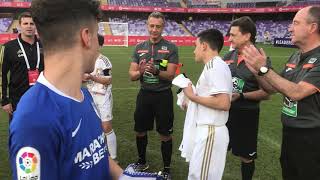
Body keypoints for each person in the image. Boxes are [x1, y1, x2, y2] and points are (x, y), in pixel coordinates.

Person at [9, 0, 123, 180]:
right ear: (86, 37)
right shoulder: (33, 120)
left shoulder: (84, 95)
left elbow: (98, 155)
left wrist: (124, 177)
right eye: (96, 33)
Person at [242, 6, 320, 180]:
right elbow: (273, 88)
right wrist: (257, 72)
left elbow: (297, 92)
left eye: (296, 23)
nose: (290, 28)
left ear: (312, 27)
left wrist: (263, 68)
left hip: (312, 139)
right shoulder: (295, 56)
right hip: (290, 134)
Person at [128, 11, 179, 179]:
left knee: (165, 133)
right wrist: (141, 71)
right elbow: (132, 75)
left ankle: (166, 169)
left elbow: (171, 75)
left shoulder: (171, 48)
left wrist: (156, 71)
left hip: (163, 96)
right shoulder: (139, 47)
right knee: (140, 130)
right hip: (144, 95)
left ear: (163, 27)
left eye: (158, 26)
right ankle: (142, 161)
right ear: (147, 26)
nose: (154, 29)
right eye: (152, 26)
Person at [223, 16, 270, 180]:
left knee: (246, 156)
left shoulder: (261, 60)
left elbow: (266, 93)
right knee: (219, 149)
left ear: (247, 36)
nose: (229, 38)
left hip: (247, 114)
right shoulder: (228, 56)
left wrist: (241, 95)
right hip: (225, 113)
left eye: (233, 35)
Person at [182, 29, 232, 180]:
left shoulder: (215, 66)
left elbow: (224, 102)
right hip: (208, 130)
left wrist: (192, 96)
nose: (194, 50)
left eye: (195, 45)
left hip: (211, 131)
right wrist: (191, 100)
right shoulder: (214, 66)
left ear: (204, 46)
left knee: (200, 177)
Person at [1, 12, 44, 122]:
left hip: (42, 98)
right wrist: (4, 100)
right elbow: (2, 74)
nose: (29, 26)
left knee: (41, 133)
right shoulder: (8, 47)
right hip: (18, 99)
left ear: (36, 26)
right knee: (18, 134)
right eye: (25, 23)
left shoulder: (44, 46)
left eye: (32, 23)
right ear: (19, 26)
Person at [84, 34, 117, 161]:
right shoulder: (85, 60)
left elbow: (108, 80)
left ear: (100, 45)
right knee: (95, 126)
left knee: (106, 127)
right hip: (90, 96)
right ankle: (99, 154)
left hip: (103, 97)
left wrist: (92, 77)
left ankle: (113, 158)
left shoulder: (104, 60)